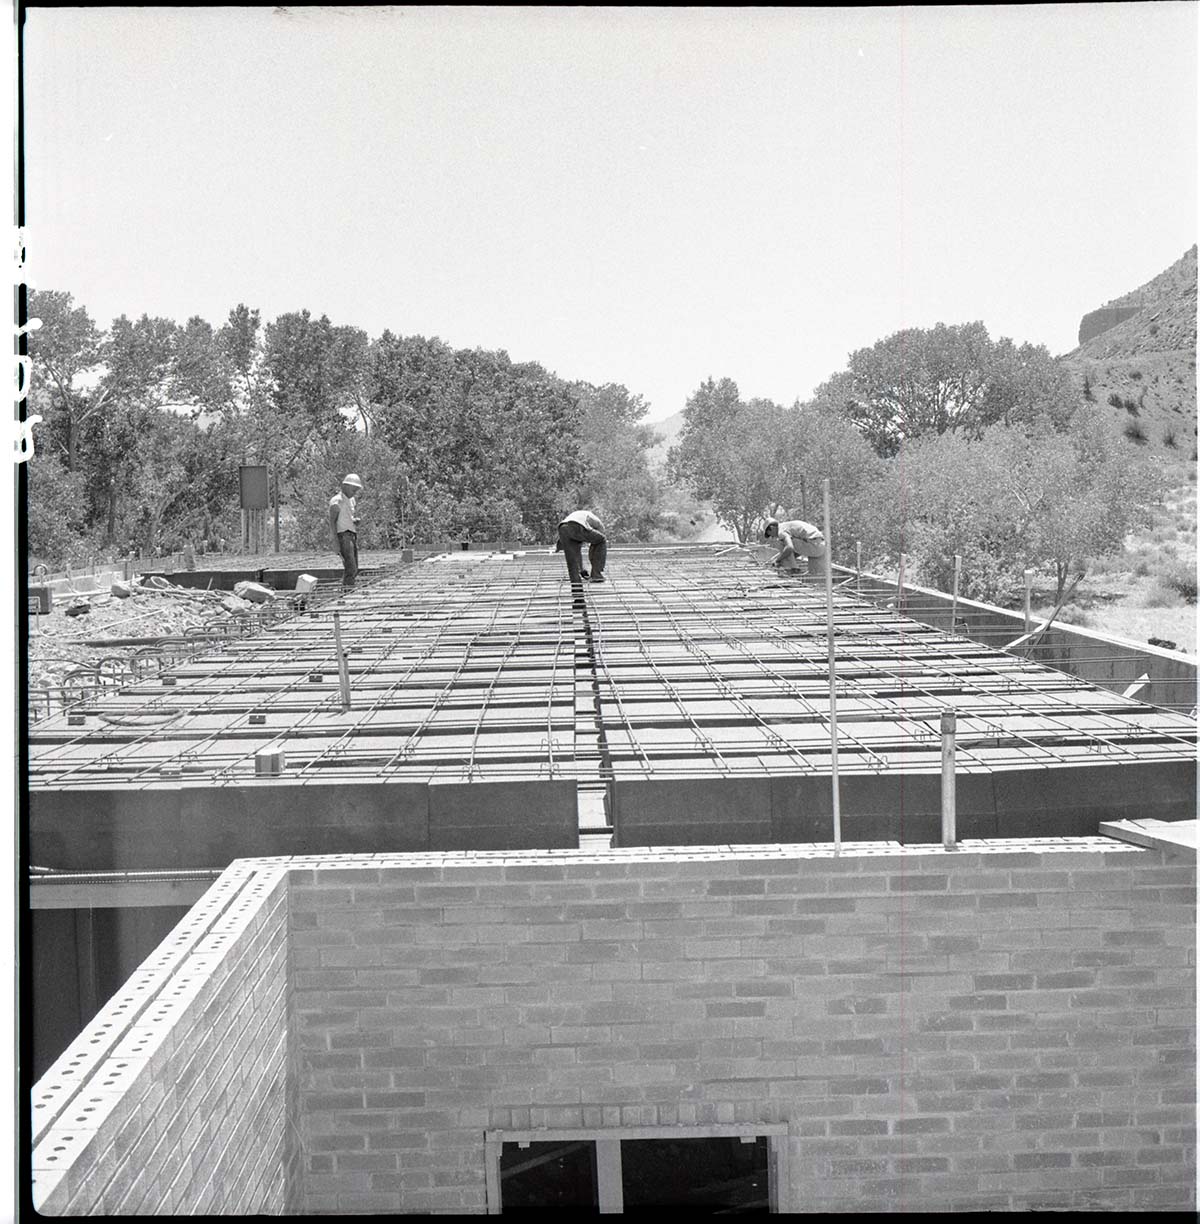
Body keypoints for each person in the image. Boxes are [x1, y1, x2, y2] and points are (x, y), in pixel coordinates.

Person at [762, 516, 828, 578]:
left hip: (814, 545)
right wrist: (783, 558)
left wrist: (778, 560)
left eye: (770, 534)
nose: (772, 537)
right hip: (821, 545)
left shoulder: (781, 531)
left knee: (784, 544)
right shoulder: (786, 526)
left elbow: (790, 547)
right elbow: (797, 551)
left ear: (772, 528)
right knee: (815, 575)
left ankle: (792, 569)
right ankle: (793, 568)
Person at [555, 509, 607, 585]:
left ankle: (576, 583)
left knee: (572, 561)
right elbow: (599, 536)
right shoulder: (595, 520)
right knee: (602, 540)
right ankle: (596, 575)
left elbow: (577, 553)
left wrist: (582, 570)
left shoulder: (579, 515)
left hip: (562, 528)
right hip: (577, 525)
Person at [329, 473, 363, 589]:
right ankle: (347, 591)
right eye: (353, 489)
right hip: (343, 536)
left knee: (354, 567)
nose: (354, 492)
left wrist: (354, 520)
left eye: (356, 490)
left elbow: (347, 517)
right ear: (345, 486)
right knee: (351, 567)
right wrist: (335, 542)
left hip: (352, 534)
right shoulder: (336, 502)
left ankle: (348, 588)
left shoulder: (351, 501)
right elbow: (332, 522)